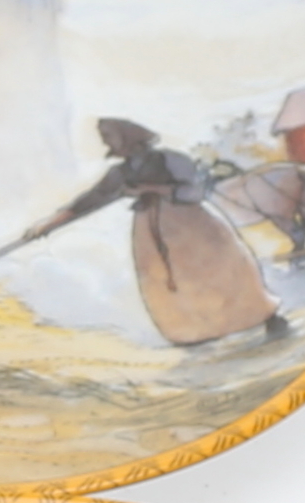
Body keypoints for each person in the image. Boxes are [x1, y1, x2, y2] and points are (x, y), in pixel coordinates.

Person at [18, 118, 289, 349]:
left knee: (225, 271)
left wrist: (152, 189)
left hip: (194, 226)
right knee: (170, 283)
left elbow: (194, 191)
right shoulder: (120, 173)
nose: (106, 142)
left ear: (127, 137)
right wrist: (49, 224)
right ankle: (195, 334)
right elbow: (91, 200)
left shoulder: (170, 159)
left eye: (109, 137)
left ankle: (267, 317)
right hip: (151, 230)